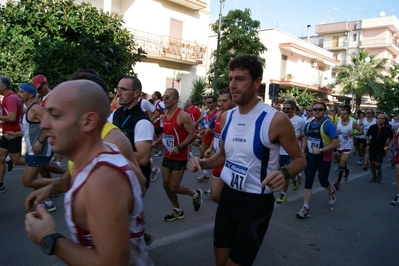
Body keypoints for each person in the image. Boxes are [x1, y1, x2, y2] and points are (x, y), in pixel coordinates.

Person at [188, 55, 306, 265]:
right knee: (220, 261)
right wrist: (203, 163)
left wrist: (284, 172)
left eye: (240, 79)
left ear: (256, 82)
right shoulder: (226, 117)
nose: (233, 85)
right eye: (231, 78)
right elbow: (224, 156)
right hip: (228, 197)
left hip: (256, 203)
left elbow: (300, 159)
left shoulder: (275, 120)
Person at [24, 80, 153, 265]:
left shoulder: (102, 181)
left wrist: (48, 239)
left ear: (88, 121)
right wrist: (50, 189)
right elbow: (139, 182)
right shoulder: (104, 152)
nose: (43, 124)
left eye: (55, 115)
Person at [5, 83, 57, 210]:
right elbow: (30, 130)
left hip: (38, 151)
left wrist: (40, 141)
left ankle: (65, 182)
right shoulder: (29, 109)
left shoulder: (35, 108)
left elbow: (51, 125)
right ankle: (47, 202)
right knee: (33, 178)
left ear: (30, 94)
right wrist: (15, 134)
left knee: (27, 181)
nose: (18, 94)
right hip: (32, 150)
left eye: (22, 92)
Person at [156, 88, 202, 221]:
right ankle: (177, 210)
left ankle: (195, 194)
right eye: (164, 96)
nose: (164, 99)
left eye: (168, 97)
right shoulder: (165, 116)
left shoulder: (182, 115)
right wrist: (154, 143)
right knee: (165, 184)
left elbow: (193, 135)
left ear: (175, 99)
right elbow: (166, 134)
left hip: (180, 156)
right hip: (168, 155)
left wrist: (179, 146)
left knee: (174, 187)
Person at [297, 102, 340, 218]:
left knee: (323, 181)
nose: (317, 111)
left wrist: (321, 150)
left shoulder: (328, 125)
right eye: (314, 109)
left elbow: (336, 143)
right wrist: (303, 150)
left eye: (320, 109)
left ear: (325, 111)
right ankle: (305, 207)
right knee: (308, 180)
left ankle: (331, 190)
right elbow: (305, 137)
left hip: (323, 157)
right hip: (311, 157)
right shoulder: (309, 123)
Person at [111, 77, 154, 189]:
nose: (118, 94)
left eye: (123, 90)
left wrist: (108, 152)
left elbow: (142, 158)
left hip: (134, 181)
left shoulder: (142, 122)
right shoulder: (116, 113)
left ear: (136, 93)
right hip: (116, 176)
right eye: (118, 89)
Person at [203, 87, 235, 202]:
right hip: (218, 156)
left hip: (230, 161)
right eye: (220, 100)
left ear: (233, 101)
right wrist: (210, 148)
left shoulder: (235, 118)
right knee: (215, 196)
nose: (220, 103)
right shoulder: (218, 115)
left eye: (224, 101)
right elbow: (217, 135)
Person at [276, 100, 305, 204]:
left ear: (293, 109)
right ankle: (296, 177)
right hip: (280, 151)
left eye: (288, 109)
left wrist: (299, 137)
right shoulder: (279, 119)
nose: (285, 110)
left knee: (285, 172)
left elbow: (304, 134)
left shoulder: (300, 120)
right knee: (286, 172)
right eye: (284, 108)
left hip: (292, 151)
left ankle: (283, 194)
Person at [0, 75, 25, 193]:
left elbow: (12, 117)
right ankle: (0, 185)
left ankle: (39, 163)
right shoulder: (7, 97)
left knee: (17, 160)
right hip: (6, 132)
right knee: (0, 157)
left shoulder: (10, 98)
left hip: (14, 131)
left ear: (4, 86)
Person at [32, 74, 63, 167]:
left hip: (52, 136)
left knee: (40, 164)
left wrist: (41, 140)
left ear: (46, 83)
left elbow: (52, 122)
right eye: (36, 89)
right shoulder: (44, 99)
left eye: (40, 87)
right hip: (49, 136)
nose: (38, 90)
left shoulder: (52, 99)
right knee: (42, 166)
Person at [332, 107, 363, 190]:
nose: (342, 116)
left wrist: (353, 133)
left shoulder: (352, 123)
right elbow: (331, 130)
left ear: (349, 115)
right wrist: (335, 132)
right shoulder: (337, 122)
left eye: (344, 114)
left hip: (348, 146)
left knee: (342, 161)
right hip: (339, 145)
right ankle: (346, 170)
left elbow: (361, 131)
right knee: (338, 158)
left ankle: (338, 182)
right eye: (341, 114)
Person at [366, 114, 393, 183]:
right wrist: (367, 140)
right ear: (377, 119)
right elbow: (367, 135)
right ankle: (374, 176)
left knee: (377, 163)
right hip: (372, 147)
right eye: (378, 118)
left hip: (381, 148)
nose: (380, 120)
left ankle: (379, 173)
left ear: (384, 120)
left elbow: (392, 138)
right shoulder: (372, 127)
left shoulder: (387, 129)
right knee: (372, 163)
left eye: (382, 118)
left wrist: (388, 146)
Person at [197, 95, 218, 181]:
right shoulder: (206, 112)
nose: (207, 104)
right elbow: (204, 123)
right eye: (206, 102)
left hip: (215, 137)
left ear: (214, 103)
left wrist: (211, 130)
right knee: (202, 154)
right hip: (206, 136)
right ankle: (205, 173)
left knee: (218, 156)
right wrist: (202, 130)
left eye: (209, 102)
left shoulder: (218, 113)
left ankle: (217, 174)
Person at [149, 91, 166, 181]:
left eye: (153, 94)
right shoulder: (155, 104)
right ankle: (151, 160)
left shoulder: (160, 103)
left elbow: (166, 112)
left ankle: (161, 151)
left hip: (160, 125)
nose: (152, 95)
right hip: (155, 125)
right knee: (152, 141)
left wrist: (158, 118)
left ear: (156, 96)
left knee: (159, 139)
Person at [387, 123, 399, 205]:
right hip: (398, 152)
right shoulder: (397, 126)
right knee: (398, 175)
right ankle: (398, 196)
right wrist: (389, 146)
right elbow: (395, 138)